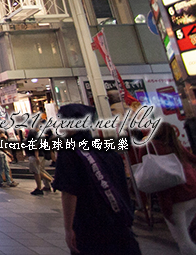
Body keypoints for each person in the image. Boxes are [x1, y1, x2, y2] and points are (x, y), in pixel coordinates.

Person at [52, 103, 140, 255]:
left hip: (90, 225)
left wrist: (68, 228)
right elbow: (121, 182)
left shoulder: (69, 151)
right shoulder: (106, 147)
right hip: (120, 222)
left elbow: (69, 193)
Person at [137, 121, 196, 254]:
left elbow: (152, 176)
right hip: (192, 190)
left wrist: (166, 207)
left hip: (175, 197)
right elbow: (192, 159)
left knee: (182, 239)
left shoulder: (149, 146)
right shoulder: (176, 144)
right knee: (185, 232)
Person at [27, 129, 53, 195]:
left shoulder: (33, 133)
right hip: (42, 154)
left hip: (36, 155)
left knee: (37, 172)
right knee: (41, 170)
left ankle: (41, 186)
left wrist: (36, 156)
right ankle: (47, 185)